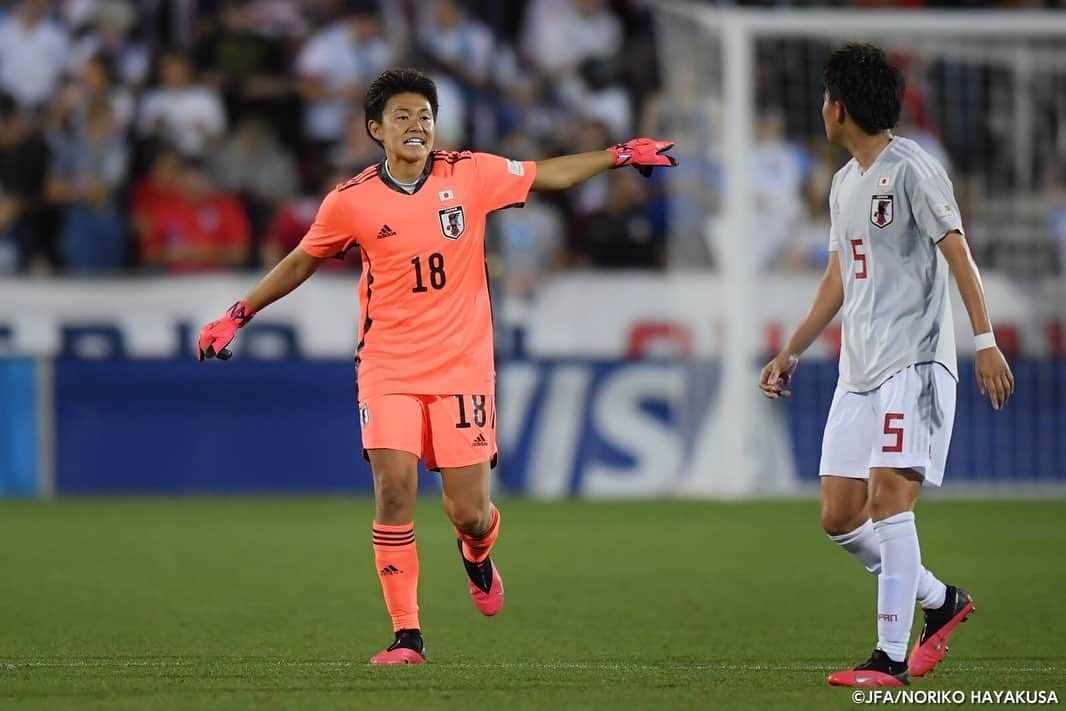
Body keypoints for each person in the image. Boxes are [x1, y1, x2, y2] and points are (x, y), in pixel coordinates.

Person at [196, 68, 676, 664]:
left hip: (462, 366)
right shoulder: (351, 201)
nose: (417, 125)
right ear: (376, 129)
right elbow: (301, 261)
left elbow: (546, 174)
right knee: (393, 489)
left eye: (424, 115)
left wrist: (620, 155)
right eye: (402, 116)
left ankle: (477, 550)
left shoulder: (468, 174)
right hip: (388, 364)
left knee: (468, 512)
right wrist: (238, 313)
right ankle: (407, 636)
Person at [759, 44, 1015, 688]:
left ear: (838, 108)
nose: (822, 110)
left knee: (889, 501)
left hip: (917, 363)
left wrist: (984, 339)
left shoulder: (914, 170)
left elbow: (958, 253)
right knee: (840, 516)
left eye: (825, 100)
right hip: (859, 369)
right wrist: (792, 349)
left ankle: (890, 658)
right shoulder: (845, 184)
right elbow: (838, 278)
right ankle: (941, 600)